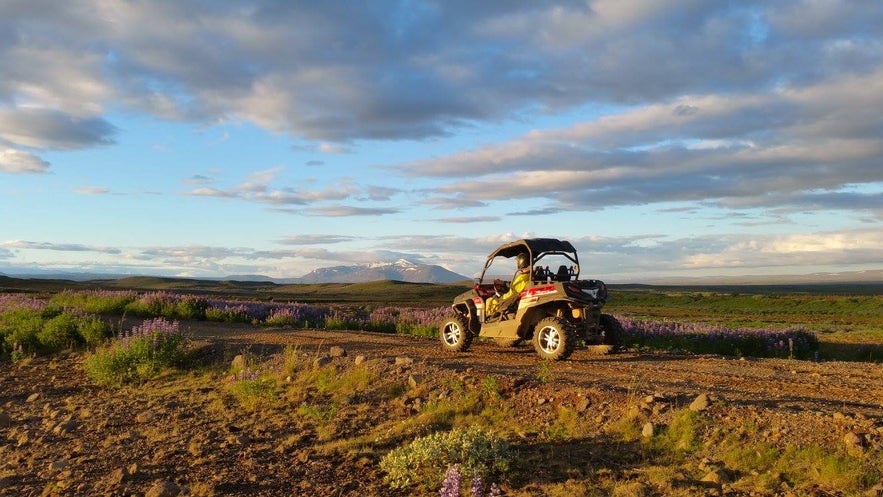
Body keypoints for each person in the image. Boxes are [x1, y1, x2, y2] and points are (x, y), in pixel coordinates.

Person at [486, 252, 531, 317]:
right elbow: (515, 285)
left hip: (510, 299)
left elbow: (514, 291)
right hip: (515, 298)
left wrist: (502, 293)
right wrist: (504, 283)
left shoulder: (522, 278)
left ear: (520, 263)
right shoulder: (528, 275)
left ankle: (489, 319)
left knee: (489, 300)